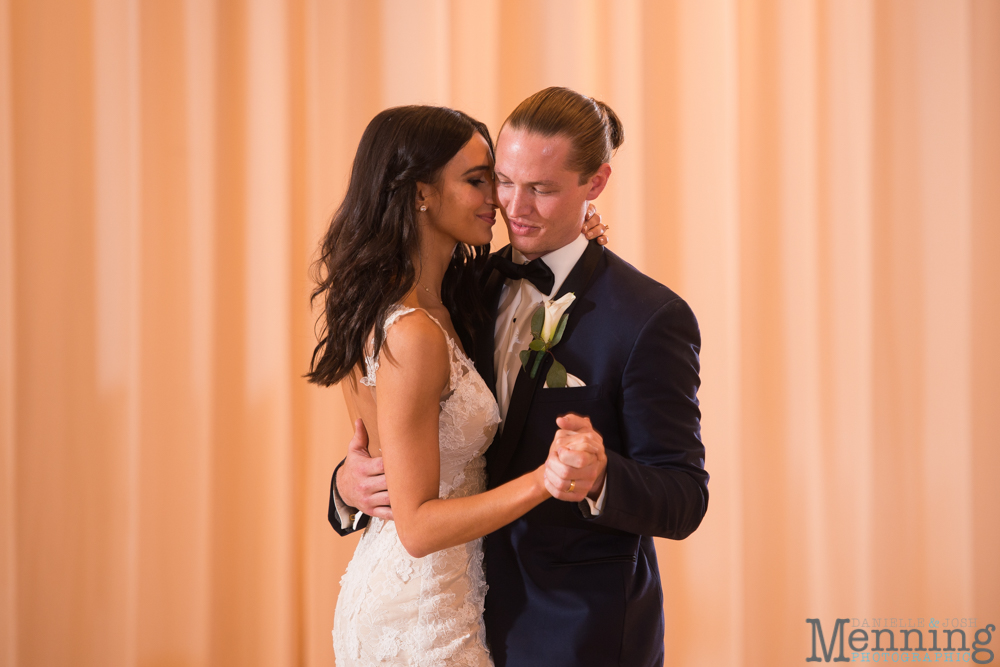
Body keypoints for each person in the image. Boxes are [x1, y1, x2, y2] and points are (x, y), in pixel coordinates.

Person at [331, 87, 709, 667]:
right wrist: (347, 486)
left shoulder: (647, 318)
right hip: (449, 614)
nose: (513, 206)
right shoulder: (459, 290)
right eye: (501, 180)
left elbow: (685, 497)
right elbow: (414, 435)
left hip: (575, 633)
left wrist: (601, 476)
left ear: (596, 184)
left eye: (542, 189)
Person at [308, 104, 609, 666]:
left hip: (449, 593)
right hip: (420, 610)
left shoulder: (449, 300)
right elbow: (418, 526)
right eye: (478, 181)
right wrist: (548, 479)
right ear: (421, 192)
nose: (498, 199)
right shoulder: (414, 331)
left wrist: (576, 252)